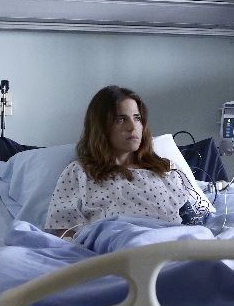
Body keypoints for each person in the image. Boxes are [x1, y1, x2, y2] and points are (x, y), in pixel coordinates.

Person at [45, 85, 203, 237]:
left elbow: (192, 221)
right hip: (120, 242)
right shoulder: (80, 172)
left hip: (174, 241)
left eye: (137, 118)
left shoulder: (167, 169)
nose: (132, 127)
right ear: (101, 126)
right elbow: (65, 231)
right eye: (121, 119)